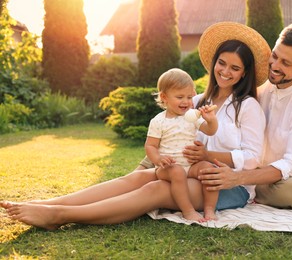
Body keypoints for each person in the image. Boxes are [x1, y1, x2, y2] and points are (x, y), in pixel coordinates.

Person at [0, 21, 270, 229]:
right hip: (186, 172)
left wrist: (209, 156)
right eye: (222, 63)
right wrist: (153, 162)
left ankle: (59, 215)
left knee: (155, 189)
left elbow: (252, 159)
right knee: (140, 177)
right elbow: (170, 134)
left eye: (235, 68)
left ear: (244, 73)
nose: (226, 71)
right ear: (214, 64)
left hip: (225, 185)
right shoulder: (198, 100)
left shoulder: (247, 107)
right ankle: (47, 204)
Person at [198, 22, 292, 209]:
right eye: (274, 56)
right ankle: (243, 187)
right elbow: (220, 100)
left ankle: (244, 189)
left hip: (285, 177)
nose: (274, 66)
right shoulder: (260, 83)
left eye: (286, 63)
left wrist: (238, 177)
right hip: (247, 167)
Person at [145, 68, 218, 222]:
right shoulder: (159, 121)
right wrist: (158, 160)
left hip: (191, 166)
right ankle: (188, 210)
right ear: (164, 97)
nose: (186, 101)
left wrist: (211, 120)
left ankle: (209, 208)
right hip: (168, 168)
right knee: (177, 172)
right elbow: (150, 146)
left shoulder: (191, 117)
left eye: (189, 96)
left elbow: (210, 131)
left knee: (209, 169)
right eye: (180, 97)